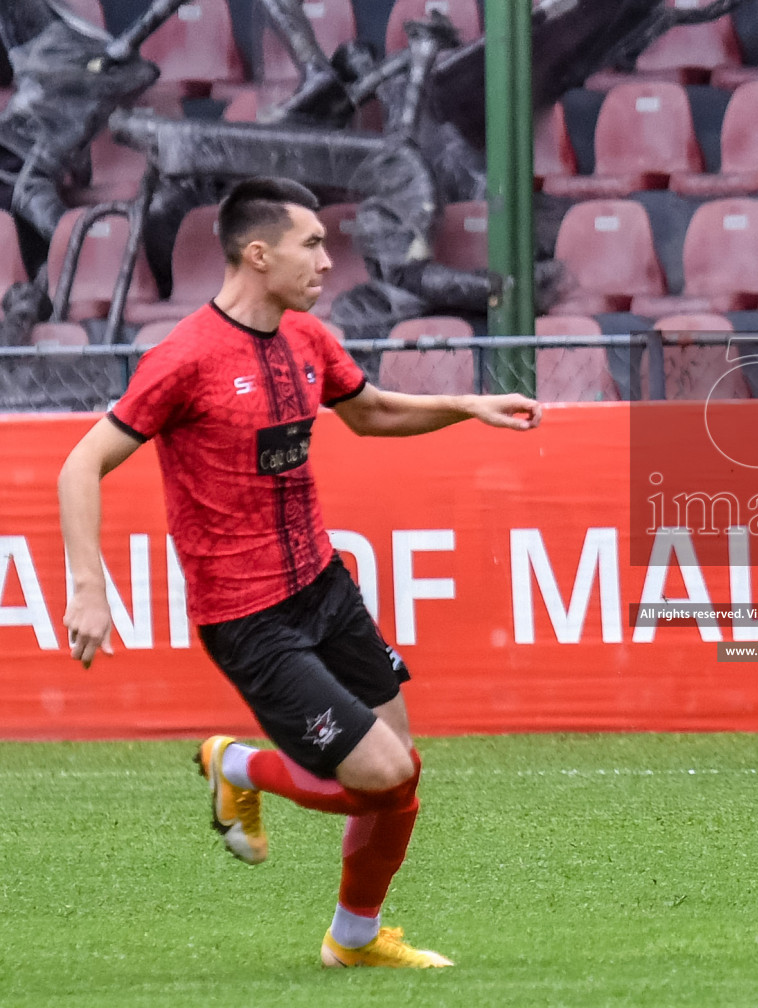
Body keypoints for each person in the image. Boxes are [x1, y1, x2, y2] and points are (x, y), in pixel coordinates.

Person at [57, 176, 542, 965]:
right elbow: (81, 464)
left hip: (325, 585)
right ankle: (236, 764)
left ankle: (353, 939)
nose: (327, 260)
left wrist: (466, 406)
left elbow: (370, 412)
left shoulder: (309, 338)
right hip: (249, 619)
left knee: (400, 776)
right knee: (381, 777)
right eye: (312, 245)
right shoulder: (183, 359)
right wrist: (89, 586)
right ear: (258, 254)